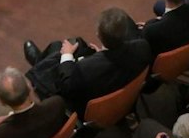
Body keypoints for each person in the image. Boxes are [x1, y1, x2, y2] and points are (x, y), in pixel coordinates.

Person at [23, 8, 154, 114]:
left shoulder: (85, 69)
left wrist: (67, 56)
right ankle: (42, 61)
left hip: (87, 104)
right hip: (124, 92)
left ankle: (39, 63)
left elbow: (67, 87)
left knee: (58, 51)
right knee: (67, 45)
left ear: (98, 35)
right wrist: (101, 54)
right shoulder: (143, 46)